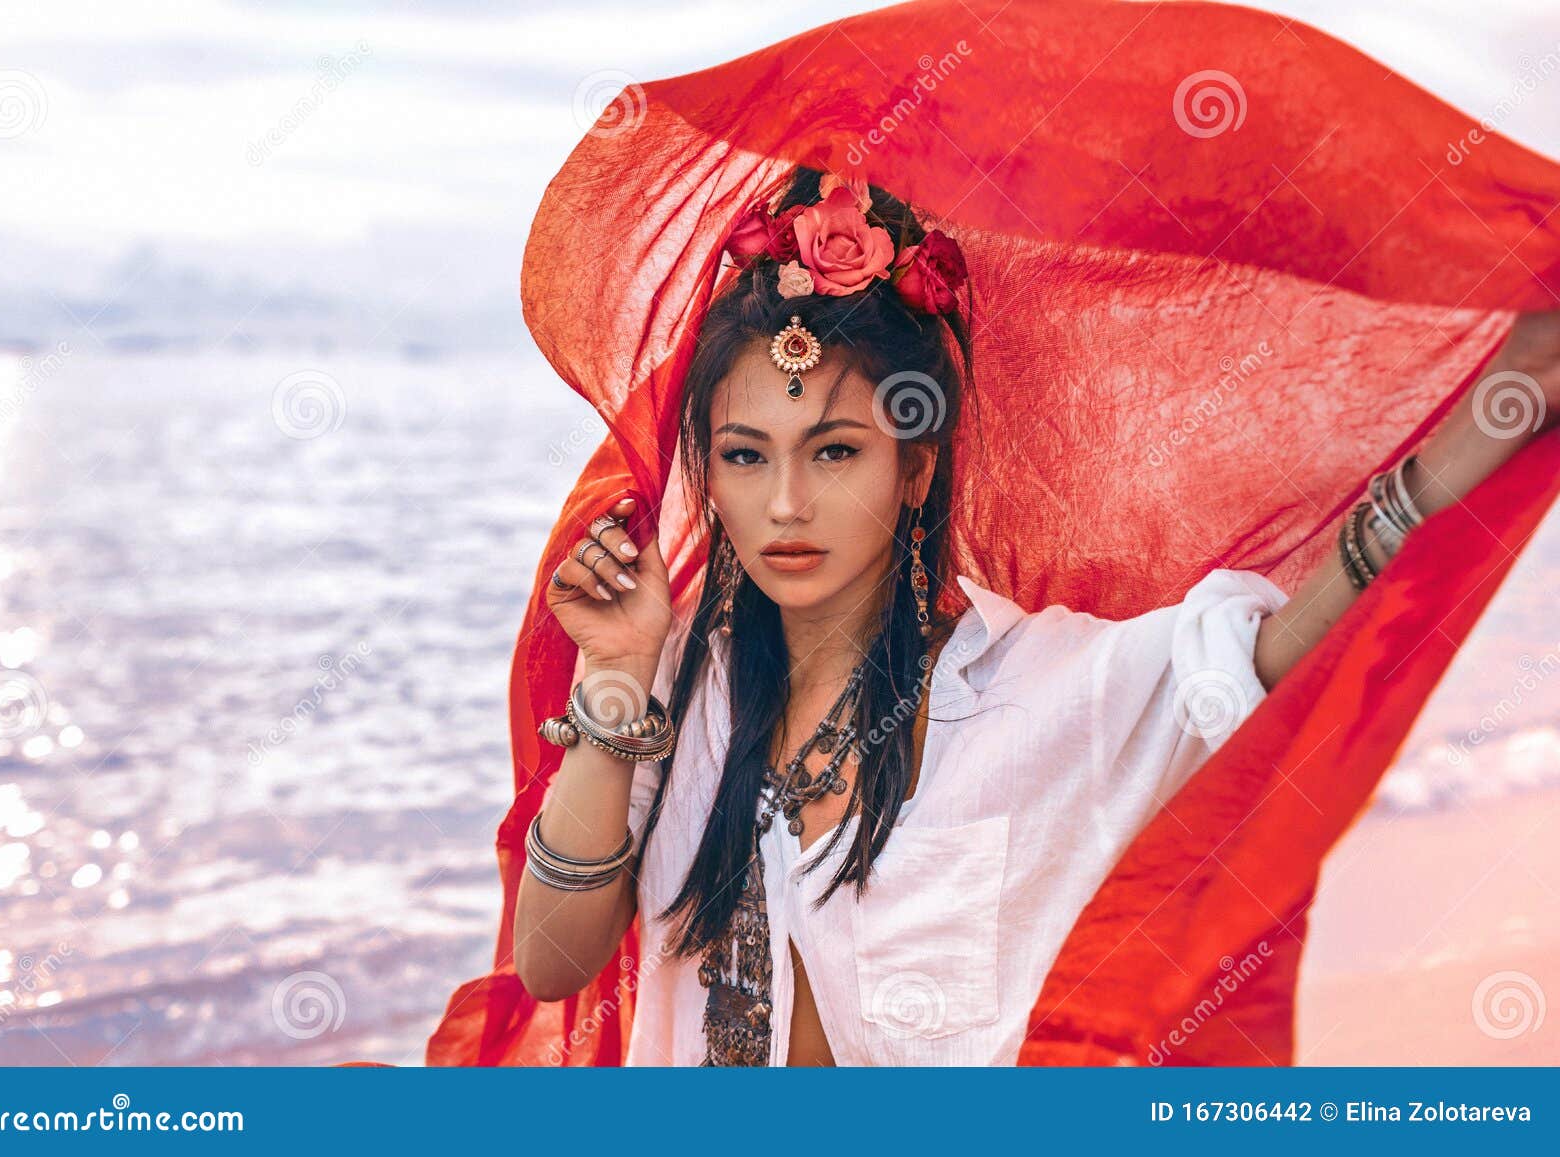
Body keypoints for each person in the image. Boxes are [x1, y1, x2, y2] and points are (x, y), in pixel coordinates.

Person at [510, 165, 1560, 1065]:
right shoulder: (681, 687)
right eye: (746, 456)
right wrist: (611, 674)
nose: (785, 503)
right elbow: (552, 962)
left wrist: (1489, 416)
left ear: (914, 466)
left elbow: (1262, 663)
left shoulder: (1038, 693)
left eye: (834, 451)